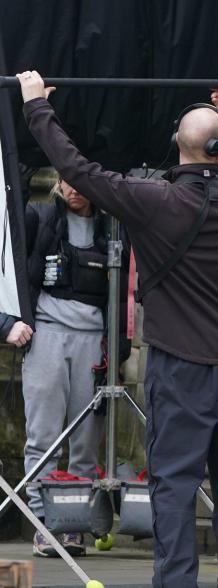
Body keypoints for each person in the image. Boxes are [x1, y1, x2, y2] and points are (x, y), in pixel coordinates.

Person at [18, 71, 218, 588]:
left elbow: (75, 168)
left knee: (174, 481)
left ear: (177, 148)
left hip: (183, 366)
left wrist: (37, 105)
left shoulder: (151, 199)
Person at [20, 178, 130, 558]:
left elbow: (122, 296)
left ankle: (74, 527)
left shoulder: (112, 227)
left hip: (94, 339)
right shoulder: (40, 217)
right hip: (47, 334)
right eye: (67, 180)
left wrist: (118, 355)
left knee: (86, 440)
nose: (74, 188)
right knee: (44, 434)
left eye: (82, 180)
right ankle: (41, 522)